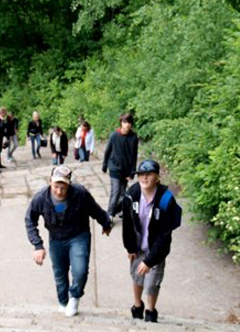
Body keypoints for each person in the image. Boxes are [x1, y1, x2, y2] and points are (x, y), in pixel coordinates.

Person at [24, 165, 113, 317]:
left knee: (80, 270)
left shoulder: (80, 194)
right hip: (56, 237)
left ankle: (74, 297)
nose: (59, 191)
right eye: (56, 186)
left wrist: (105, 223)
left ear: (69, 184)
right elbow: (29, 220)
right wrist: (37, 245)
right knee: (59, 272)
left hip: (78, 235)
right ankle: (63, 301)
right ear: (50, 181)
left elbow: (95, 209)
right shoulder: (41, 197)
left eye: (63, 187)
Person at [122, 159, 182, 323]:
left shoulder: (166, 200)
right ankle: (137, 306)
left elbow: (165, 235)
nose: (144, 178)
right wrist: (129, 247)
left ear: (157, 176)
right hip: (138, 247)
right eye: (141, 174)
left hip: (156, 249)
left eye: (149, 174)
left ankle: (150, 311)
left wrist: (150, 260)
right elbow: (127, 224)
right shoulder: (131, 195)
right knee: (137, 277)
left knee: (152, 283)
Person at [102, 113, 138, 219]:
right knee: (116, 191)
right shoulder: (114, 135)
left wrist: (132, 172)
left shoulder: (134, 137)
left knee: (123, 194)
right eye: (125, 122)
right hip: (114, 168)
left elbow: (134, 156)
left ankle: (119, 210)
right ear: (121, 123)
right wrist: (104, 165)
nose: (127, 125)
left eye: (129, 122)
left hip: (126, 170)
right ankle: (110, 214)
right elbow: (108, 151)